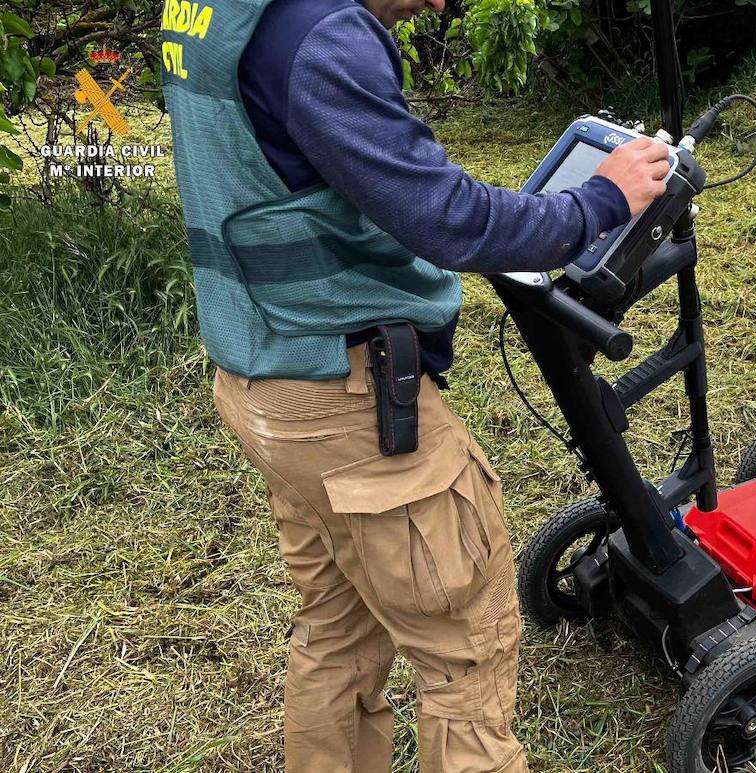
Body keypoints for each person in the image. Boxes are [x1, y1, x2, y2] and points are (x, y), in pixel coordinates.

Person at [159, 0, 669, 770]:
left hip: (264, 382)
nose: (438, 6)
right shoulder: (319, 35)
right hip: (349, 401)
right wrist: (596, 202)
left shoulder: (213, 10)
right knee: (466, 650)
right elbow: (446, 216)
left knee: (337, 632)